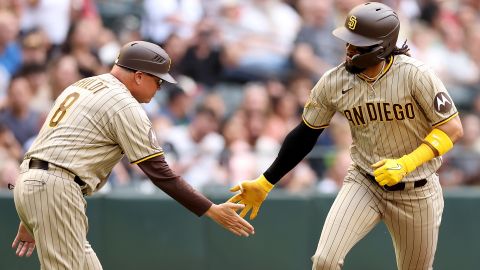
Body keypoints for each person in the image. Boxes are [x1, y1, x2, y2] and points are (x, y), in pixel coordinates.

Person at [228, 2, 463, 270]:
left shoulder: (416, 75)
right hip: (365, 183)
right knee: (325, 261)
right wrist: (266, 181)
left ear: (382, 47)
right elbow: (305, 134)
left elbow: (452, 128)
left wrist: (406, 163)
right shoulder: (333, 81)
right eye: (348, 42)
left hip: (417, 189)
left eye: (358, 45)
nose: (349, 50)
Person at [12, 40, 254, 269]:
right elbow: (160, 173)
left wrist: (33, 215)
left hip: (36, 183)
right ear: (139, 76)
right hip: (55, 189)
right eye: (158, 81)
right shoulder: (123, 103)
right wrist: (210, 209)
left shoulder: (82, 85)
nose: (160, 88)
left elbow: (48, 150)